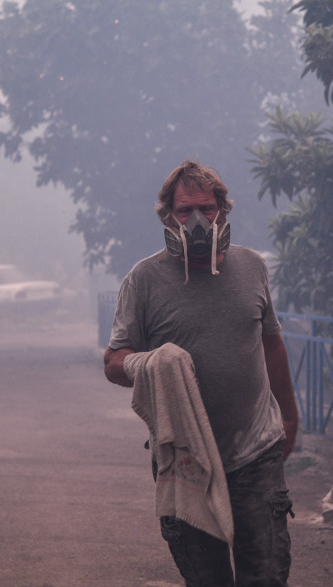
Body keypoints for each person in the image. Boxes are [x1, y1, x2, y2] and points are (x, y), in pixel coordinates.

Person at [103, 159, 299, 586]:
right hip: (184, 461)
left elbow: (271, 343)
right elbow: (114, 361)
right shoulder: (144, 280)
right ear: (167, 216)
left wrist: (289, 417)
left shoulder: (252, 267)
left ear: (224, 211)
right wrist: (149, 361)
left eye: (206, 209)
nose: (196, 221)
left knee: (266, 578)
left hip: (255, 453)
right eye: (184, 210)